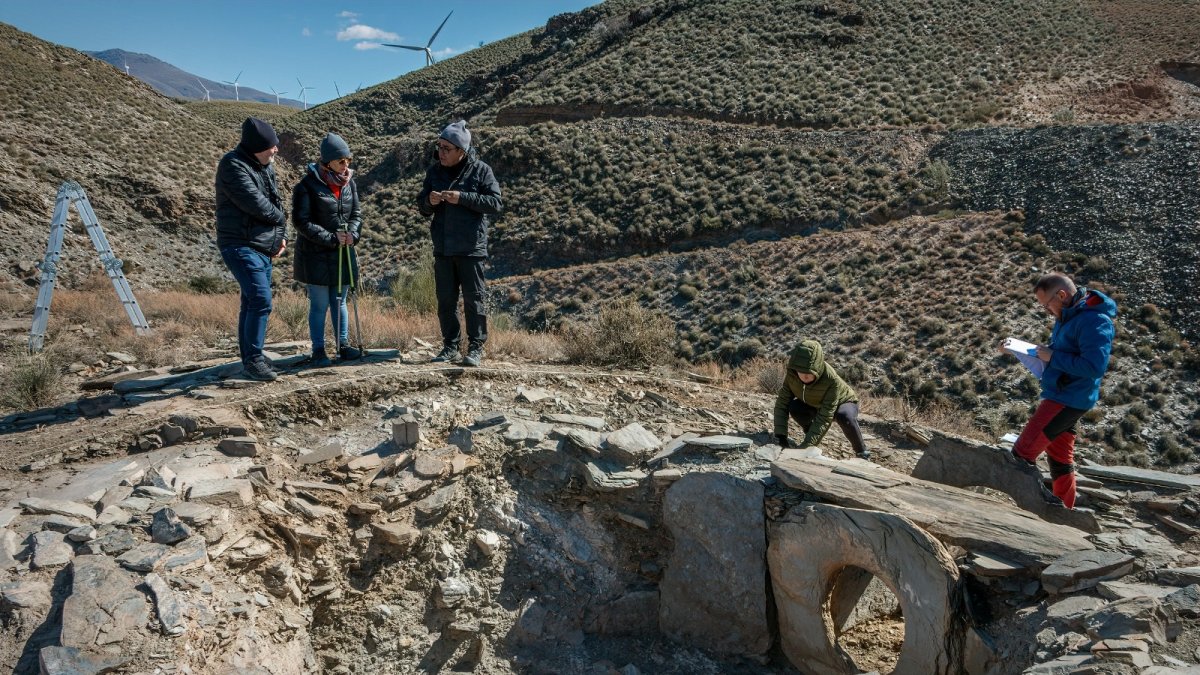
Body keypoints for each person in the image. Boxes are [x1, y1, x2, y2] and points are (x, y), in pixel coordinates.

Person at [1000, 272, 1117, 509]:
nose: (1047, 311)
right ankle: (1065, 510)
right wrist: (1024, 350)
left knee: (1022, 454)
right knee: (1060, 457)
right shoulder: (1069, 315)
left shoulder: (1095, 321)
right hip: (1065, 393)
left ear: (1062, 295)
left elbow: (1094, 367)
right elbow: (1066, 350)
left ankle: (1022, 510)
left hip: (1068, 398)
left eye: (1046, 306)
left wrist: (1053, 356)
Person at [416, 120, 503, 367]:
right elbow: (421, 207)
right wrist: (429, 202)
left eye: (446, 148)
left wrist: (462, 198)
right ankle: (450, 346)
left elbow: (495, 203)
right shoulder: (434, 172)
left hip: (470, 248)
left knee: (474, 299)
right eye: (439, 146)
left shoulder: (481, 170)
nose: (440, 153)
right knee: (446, 299)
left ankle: (476, 347)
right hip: (443, 248)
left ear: (461, 151)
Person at [215, 117, 288, 381]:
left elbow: (276, 204)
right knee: (260, 300)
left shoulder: (263, 165)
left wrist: (280, 237)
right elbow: (259, 206)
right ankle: (253, 360)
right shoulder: (233, 165)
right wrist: (280, 221)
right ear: (257, 146)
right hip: (239, 244)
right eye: (271, 146)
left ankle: (251, 356)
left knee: (250, 301)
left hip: (261, 245)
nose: (276, 150)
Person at [292, 132, 364, 367]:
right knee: (320, 304)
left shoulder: (349, 183)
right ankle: (318, 350)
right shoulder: (306, 186)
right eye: (341, 161)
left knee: (340, 301)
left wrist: (352, 234)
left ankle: (343, 346)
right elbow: (301, 222)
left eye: (348, 160)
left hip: (342, 252)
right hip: (316, 255)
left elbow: (356, 215)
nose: (346, 166)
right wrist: (332, 238)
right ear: (327, 161)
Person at [773, 339, 869, 460]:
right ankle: (810, 434)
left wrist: (806, 448)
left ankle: (862, 452)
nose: (804, 375)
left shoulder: (830, 379)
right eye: (800, 371)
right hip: (814, 403)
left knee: (844, 416)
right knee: (794, 406)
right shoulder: (792, 375)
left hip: (843, 402)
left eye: (809, 371)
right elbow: (782, 403)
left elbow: (824, 417)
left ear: (817, 367)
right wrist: (781, 437)